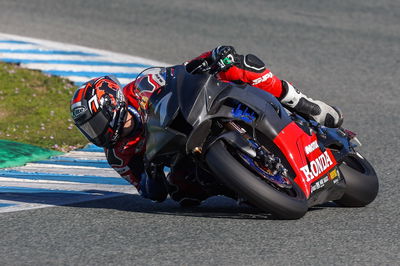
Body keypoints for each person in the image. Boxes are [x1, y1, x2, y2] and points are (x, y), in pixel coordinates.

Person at [70, 46, 343, 206]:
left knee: (239, 65)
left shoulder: (141, 87)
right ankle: (246, 188)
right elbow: (150, 193)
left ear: (112, 105)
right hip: (184, 152)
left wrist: (212, 56)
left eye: (96, 123)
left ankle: (304, 104)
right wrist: (151, 173)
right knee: (181, 193)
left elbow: (181, 72)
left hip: (198, 112)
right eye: (90, 129)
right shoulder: (118, 154)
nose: (97, 132)